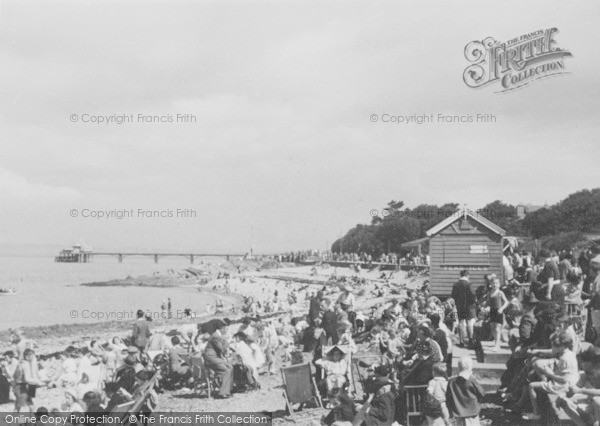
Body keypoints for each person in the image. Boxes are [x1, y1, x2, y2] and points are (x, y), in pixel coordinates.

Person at [522, 331, 580, 421]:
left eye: (554, 346)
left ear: (562, 346)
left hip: (564, 386)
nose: (552, 347)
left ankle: (536, 413)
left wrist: (549, 374)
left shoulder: (565, 358)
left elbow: (564, 380)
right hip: (571, 380)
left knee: (532, 386)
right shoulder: (569, 353)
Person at [446, 357, 484, 426]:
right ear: (470, 366)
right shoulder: (471, 379)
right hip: (473, 411)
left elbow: (448, 396)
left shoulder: (452, 381)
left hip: (459, 411)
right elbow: (481, 393)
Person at [202, 319, 233, 399]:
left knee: (230, 367)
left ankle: (228, 389)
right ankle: (223, 393)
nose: (226, 330)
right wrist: (227, 341)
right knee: (226, 370)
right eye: (225, 329)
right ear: (221, 328)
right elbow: (222, 349)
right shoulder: (216, 336)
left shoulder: (217, 336)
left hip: (213, 357)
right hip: (211, 357)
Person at [13, 349, 45, 413]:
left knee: (24, 406)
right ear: (27, 357)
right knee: (22, 408)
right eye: (32, 357)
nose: (33, 359)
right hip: (22, 388)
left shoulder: (21, 363)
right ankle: (20, 422)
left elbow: (15, 376)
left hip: (18, 386)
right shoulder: (26, 365)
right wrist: (37, 381)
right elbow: (27, 379)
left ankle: (29, 421)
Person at [451, 270, 477, 348]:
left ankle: (461, 342)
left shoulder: (456, 285)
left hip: (460, 307)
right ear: (468, 275)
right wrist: (474, 302)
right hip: (469, 307)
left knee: (461, 323)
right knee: (469, 323)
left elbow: (453, 296)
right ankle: (470, 342)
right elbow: (473, 294)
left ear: (460, 275)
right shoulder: (469, 284)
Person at [487, 277, 509, 352]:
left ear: (499, 284)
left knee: (497, 328)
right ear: (490, 284)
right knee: (493, 328)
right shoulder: (489, 292)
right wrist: (485, 306)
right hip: (492, 311)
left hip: (498, 311)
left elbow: (506, 302)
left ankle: (497, 345)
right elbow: (488, 302)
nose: (494, 285)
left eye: (496, 283)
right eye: (493, 283)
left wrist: (502, 309)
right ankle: (496, 343)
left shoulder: (500, 293)